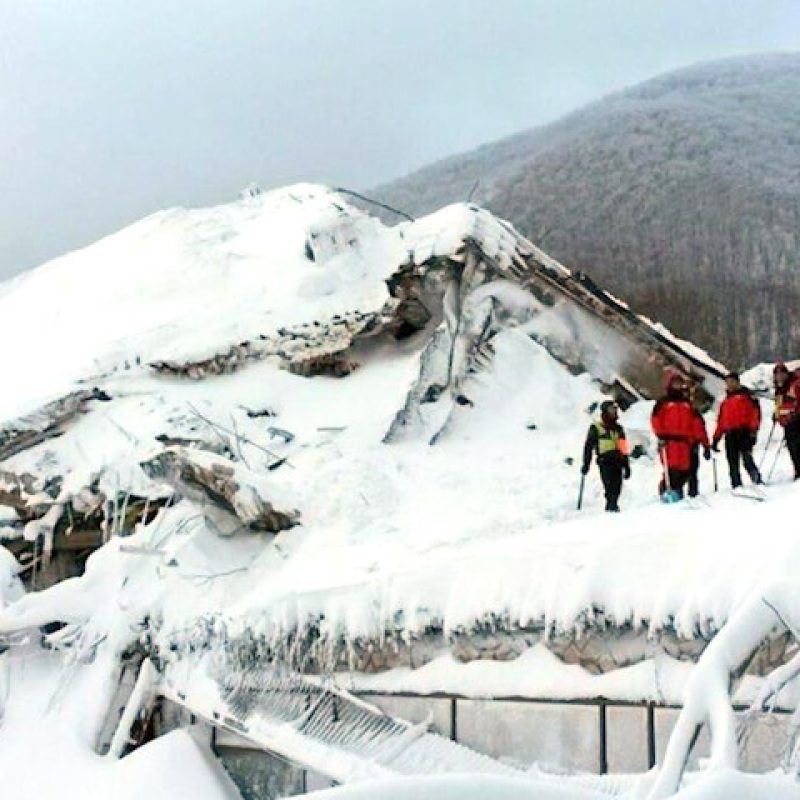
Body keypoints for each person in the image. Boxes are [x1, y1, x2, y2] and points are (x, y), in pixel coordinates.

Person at [712, 372, 762, 488]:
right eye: (728, 382)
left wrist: (753, 431)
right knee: (732, 462)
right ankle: (736, 484)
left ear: (737, 382)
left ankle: (757, 479)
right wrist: (716, 438)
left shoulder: (747, 396)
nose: (730, 385)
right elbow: (721, 422)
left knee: (747, 458)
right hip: (730, 434)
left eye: (732, 382)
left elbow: (755, 414)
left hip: (744, 431)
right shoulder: (725, 402)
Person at [651, 371, 695, 499]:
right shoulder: (663, 403)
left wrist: (691, 439)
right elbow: (655, 419)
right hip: (669, 441)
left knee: (685, 469)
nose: (678, 386)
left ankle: (677, 491)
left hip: (684, 441)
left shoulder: (686, 403)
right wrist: (660, 435)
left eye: (679, 383)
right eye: (675, 383)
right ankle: (667, 491)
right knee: (672, 469)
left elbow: (692, 422)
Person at [581, 400, 631, 512]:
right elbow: (588, 447)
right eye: (611, 409)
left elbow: (623, 447)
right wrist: (586, 464)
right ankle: (611, 506)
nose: (613, 412)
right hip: (605, 461)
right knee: (609, 486)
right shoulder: (596, 427)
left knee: (618, 486)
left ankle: (613, 505)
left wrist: (626, 465)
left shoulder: (618, 429)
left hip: (617, 460)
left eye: (614, 409)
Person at [773, 362, 800, 480]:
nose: (779, 376)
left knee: (797, 446)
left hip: (797, 420)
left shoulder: (794, 385)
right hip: (786, 423)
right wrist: (776, 415)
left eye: (781, 373)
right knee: (792, 447)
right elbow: (779, 406)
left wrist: (795, 413)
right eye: (777, 374)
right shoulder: (779, 390)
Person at [688, 398, 711, 498]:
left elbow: (701, 431)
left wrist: (706, 446)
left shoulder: (695, 415)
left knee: (692, 470)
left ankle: (693, 492)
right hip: (683, 444)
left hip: (692, 445)